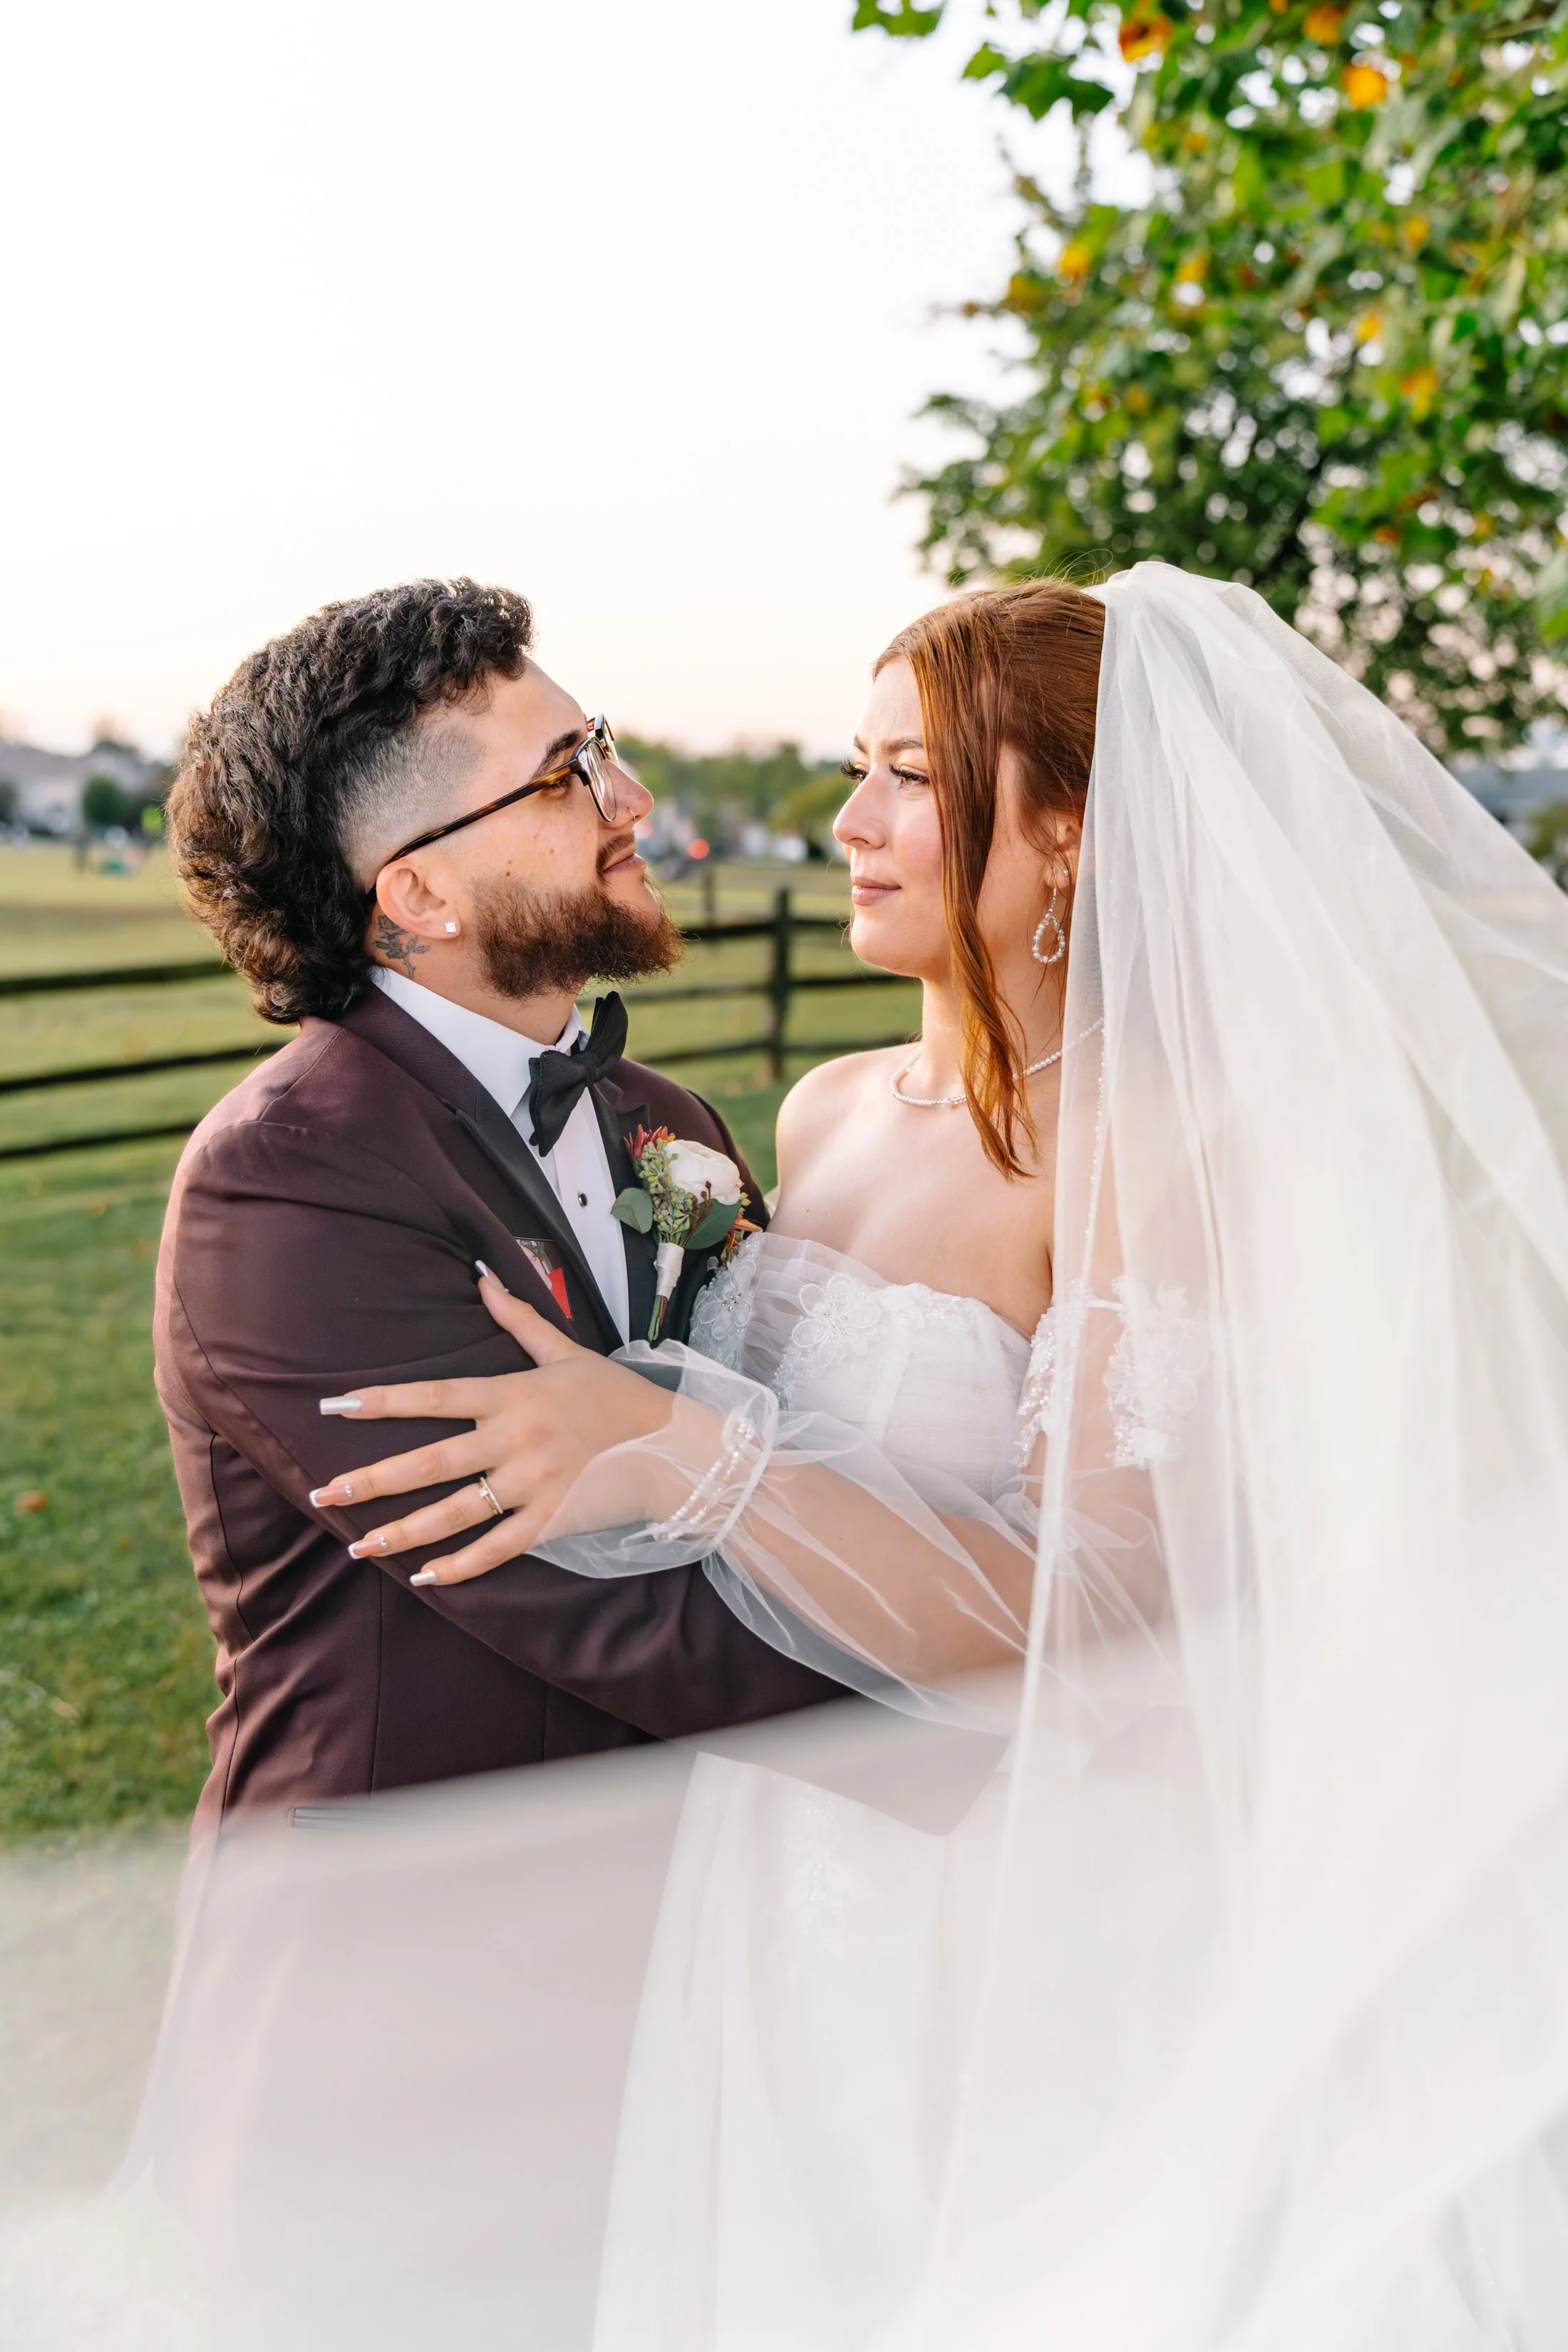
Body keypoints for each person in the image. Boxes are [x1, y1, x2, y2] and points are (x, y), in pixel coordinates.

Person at [294, 562, 1568, 2348]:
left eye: (911, 778)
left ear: (1073, 836)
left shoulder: (1155, 1148)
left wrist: (686, 1453)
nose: (849, 822)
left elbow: (1105, 1622)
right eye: (855, 768)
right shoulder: (816, 1114)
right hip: (769, 1858)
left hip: (1006, 1910)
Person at [153, 577, 841, 1832]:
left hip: (684, 1899)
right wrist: (999, 1702)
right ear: (420, 896)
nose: (631, 799)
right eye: (568, 773)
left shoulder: (673, 1124)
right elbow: (603, 1607)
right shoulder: (286, 1180)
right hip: (408, 1915)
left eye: (603, 748)